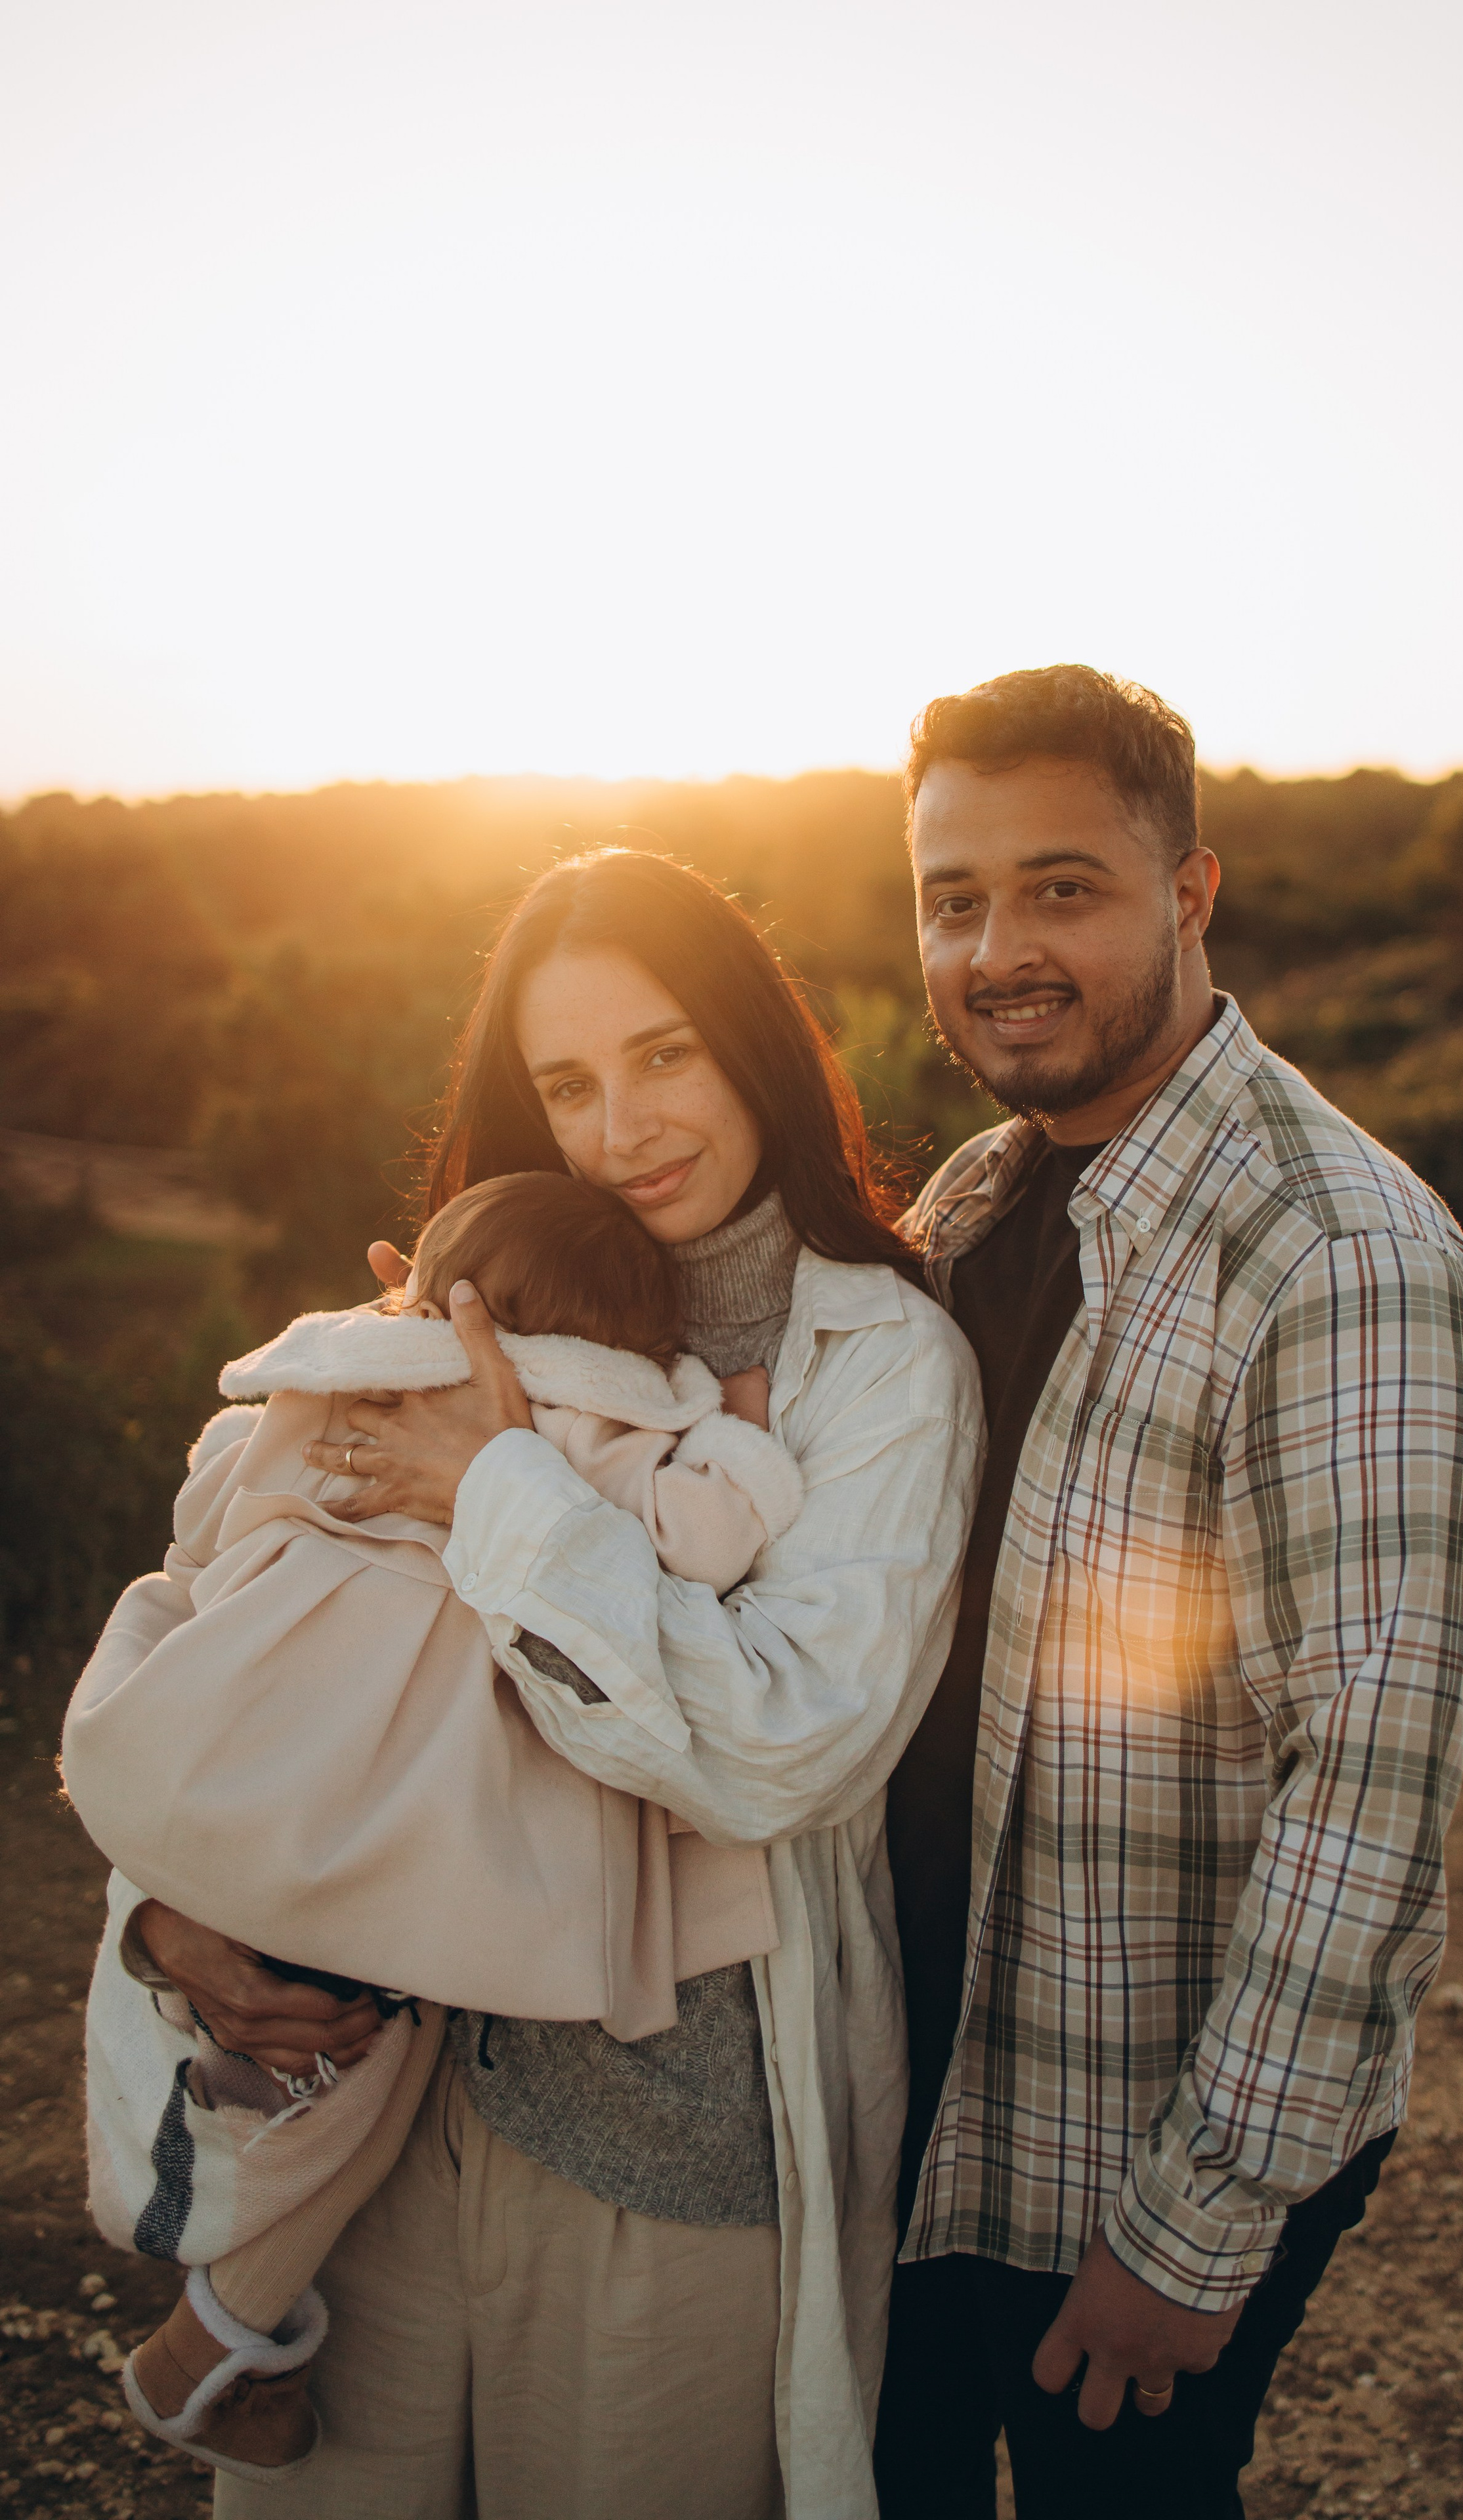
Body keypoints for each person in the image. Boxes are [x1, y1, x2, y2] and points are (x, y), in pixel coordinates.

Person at [106, 849, 984, 2520]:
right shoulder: (463, 1310)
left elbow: (778, 1749)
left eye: (666, 1056)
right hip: (380, 2100)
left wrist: (497, 1484)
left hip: (665, 2152)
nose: (620, 1129)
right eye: (565, 1083)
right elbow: (227, 1610)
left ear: (756, 1047)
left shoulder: (880, 1367)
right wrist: (170, 1910)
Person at [876, 664, 1463, 2519]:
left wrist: (1196, 2226)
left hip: (1123, 2123)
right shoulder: (977, 1204)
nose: (999, 947)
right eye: (952, 897)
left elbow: (1372, 1791)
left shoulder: (1338, 1257)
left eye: (1063, 887)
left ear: (1191, 892)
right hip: (922, 2078)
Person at [67, 1167, 805, 2481]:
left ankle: (199, 2268)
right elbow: (705, 1540)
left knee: (267, 2018)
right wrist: (739, 1434)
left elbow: (202, 1513)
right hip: (385, 1820)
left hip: (244, 1750)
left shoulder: (336, 1388)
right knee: (356, 2062)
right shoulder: (576, 1424)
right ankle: (215, 2331)